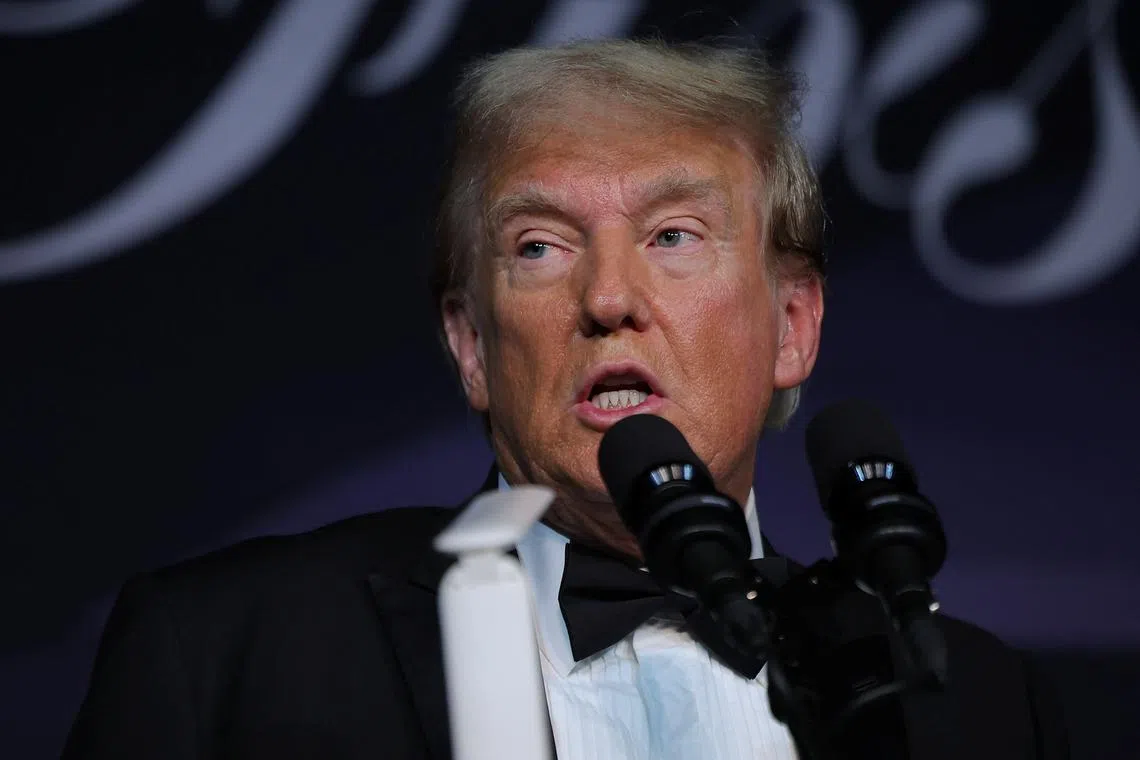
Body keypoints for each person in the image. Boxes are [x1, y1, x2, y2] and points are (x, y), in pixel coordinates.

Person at [62, 39, 1068, 760]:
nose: (609, 298)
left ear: (793, 325)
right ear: (470, 345)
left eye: (675, 234)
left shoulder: (976, 706)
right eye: (540, 246)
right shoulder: (224, 654)